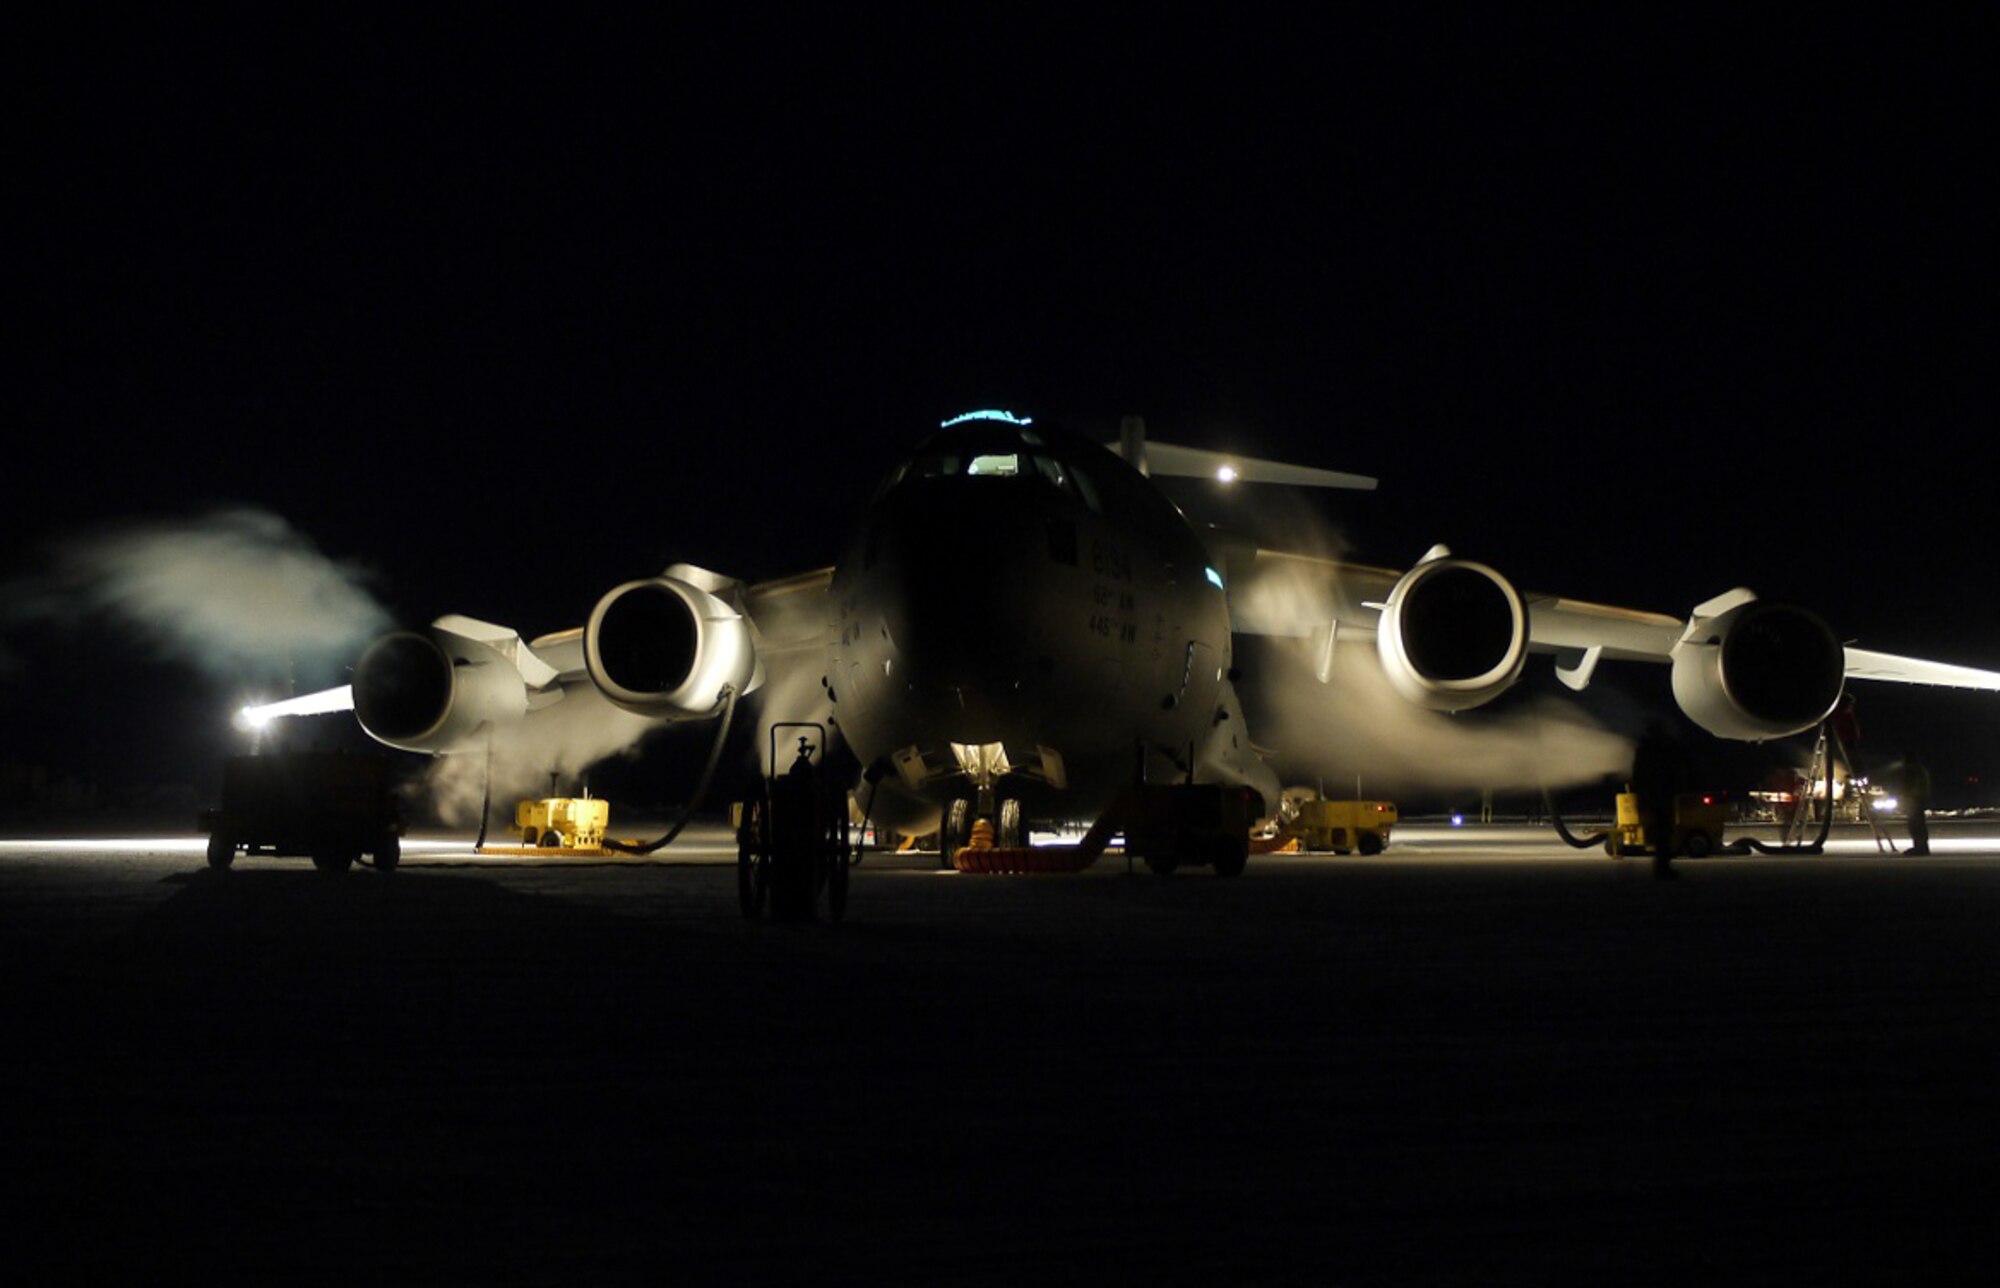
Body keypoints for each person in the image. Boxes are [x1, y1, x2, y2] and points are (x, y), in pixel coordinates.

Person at [1903, 755, 1932, 856]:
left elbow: (1909, 785)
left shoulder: (1913, 770)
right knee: (1919, 823)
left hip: (1914, 798)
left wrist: (1904, 794)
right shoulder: (1921, 769)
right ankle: (1921, 846)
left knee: (1915, 824)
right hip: (1920, 797)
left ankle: (1919, 847)